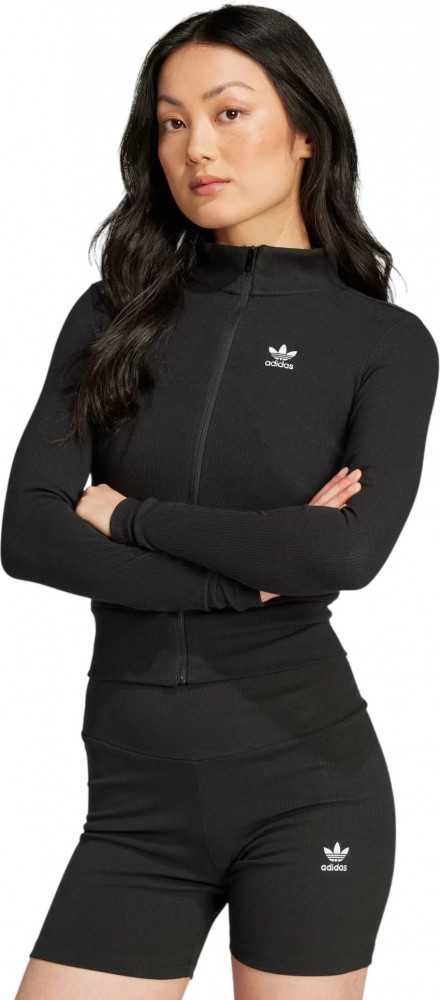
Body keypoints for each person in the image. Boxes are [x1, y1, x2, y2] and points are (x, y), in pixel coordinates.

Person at [2, 6, 438, 1000]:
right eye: (171, 121)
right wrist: (244, 577)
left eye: (228, 111)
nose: (196, 146)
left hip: (307, 787)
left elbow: (342, 555)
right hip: (133, 806)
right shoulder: (111, 316)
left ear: (304, 132)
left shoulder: (383, 344)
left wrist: (126, 516)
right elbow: (28, 532)